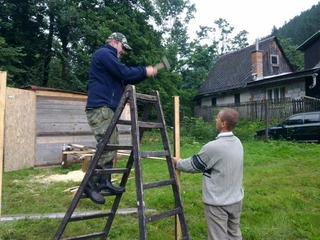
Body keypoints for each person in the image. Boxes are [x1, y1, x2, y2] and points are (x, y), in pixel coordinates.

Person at [85, 32, 158, 204]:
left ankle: (104, 181)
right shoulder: (104, 54)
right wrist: (145, 70)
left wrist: (143, 73)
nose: (123, 51)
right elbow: (123, 72)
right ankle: (88, 184)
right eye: (123, 47)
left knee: (112, 144)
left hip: (107, 109)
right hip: (100, 108)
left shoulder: (110, 59)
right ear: (115, 42)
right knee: (106, 146)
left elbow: (125, 76)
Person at [172, 108, 244, 240]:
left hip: (218, 203)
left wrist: (178, 162)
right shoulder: (238, 142)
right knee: (234, 234)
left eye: (217, 118)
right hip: (236, 199)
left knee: (218, 237)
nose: (215, 120)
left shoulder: (213, 147)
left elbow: (194, 165)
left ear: (223, 123)